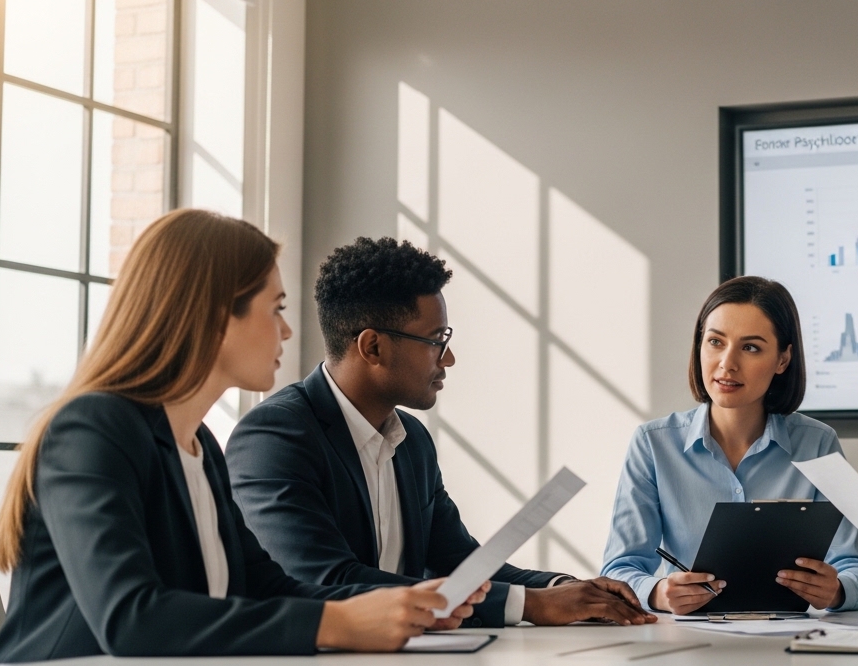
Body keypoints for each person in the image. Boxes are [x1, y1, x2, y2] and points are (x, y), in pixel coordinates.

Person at [0, 211, 487, 664]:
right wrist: (338, 623)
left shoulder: (200, 445)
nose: (286, 331)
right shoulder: (92, 428)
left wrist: (399, 607)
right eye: (275, 309)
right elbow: (132, 617)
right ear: (214, 316)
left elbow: (261, 586)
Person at [226, 237, 652, 628]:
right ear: (373, 347)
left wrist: (563, 588)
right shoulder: (274, 437)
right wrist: (529, 604)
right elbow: (325, 578)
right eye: (436, 340)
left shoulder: (411, 440)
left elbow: (460, 564)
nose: (448, 359)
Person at [601, 276, 858, 614]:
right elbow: (618, 570)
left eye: (751, 348)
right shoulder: (653, 444)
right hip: (687, 640)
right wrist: (658, 593)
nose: (727, 363)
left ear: (783, 360)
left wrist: (836, 591)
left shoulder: (817, 443)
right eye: (715, 342)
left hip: (790, 639)